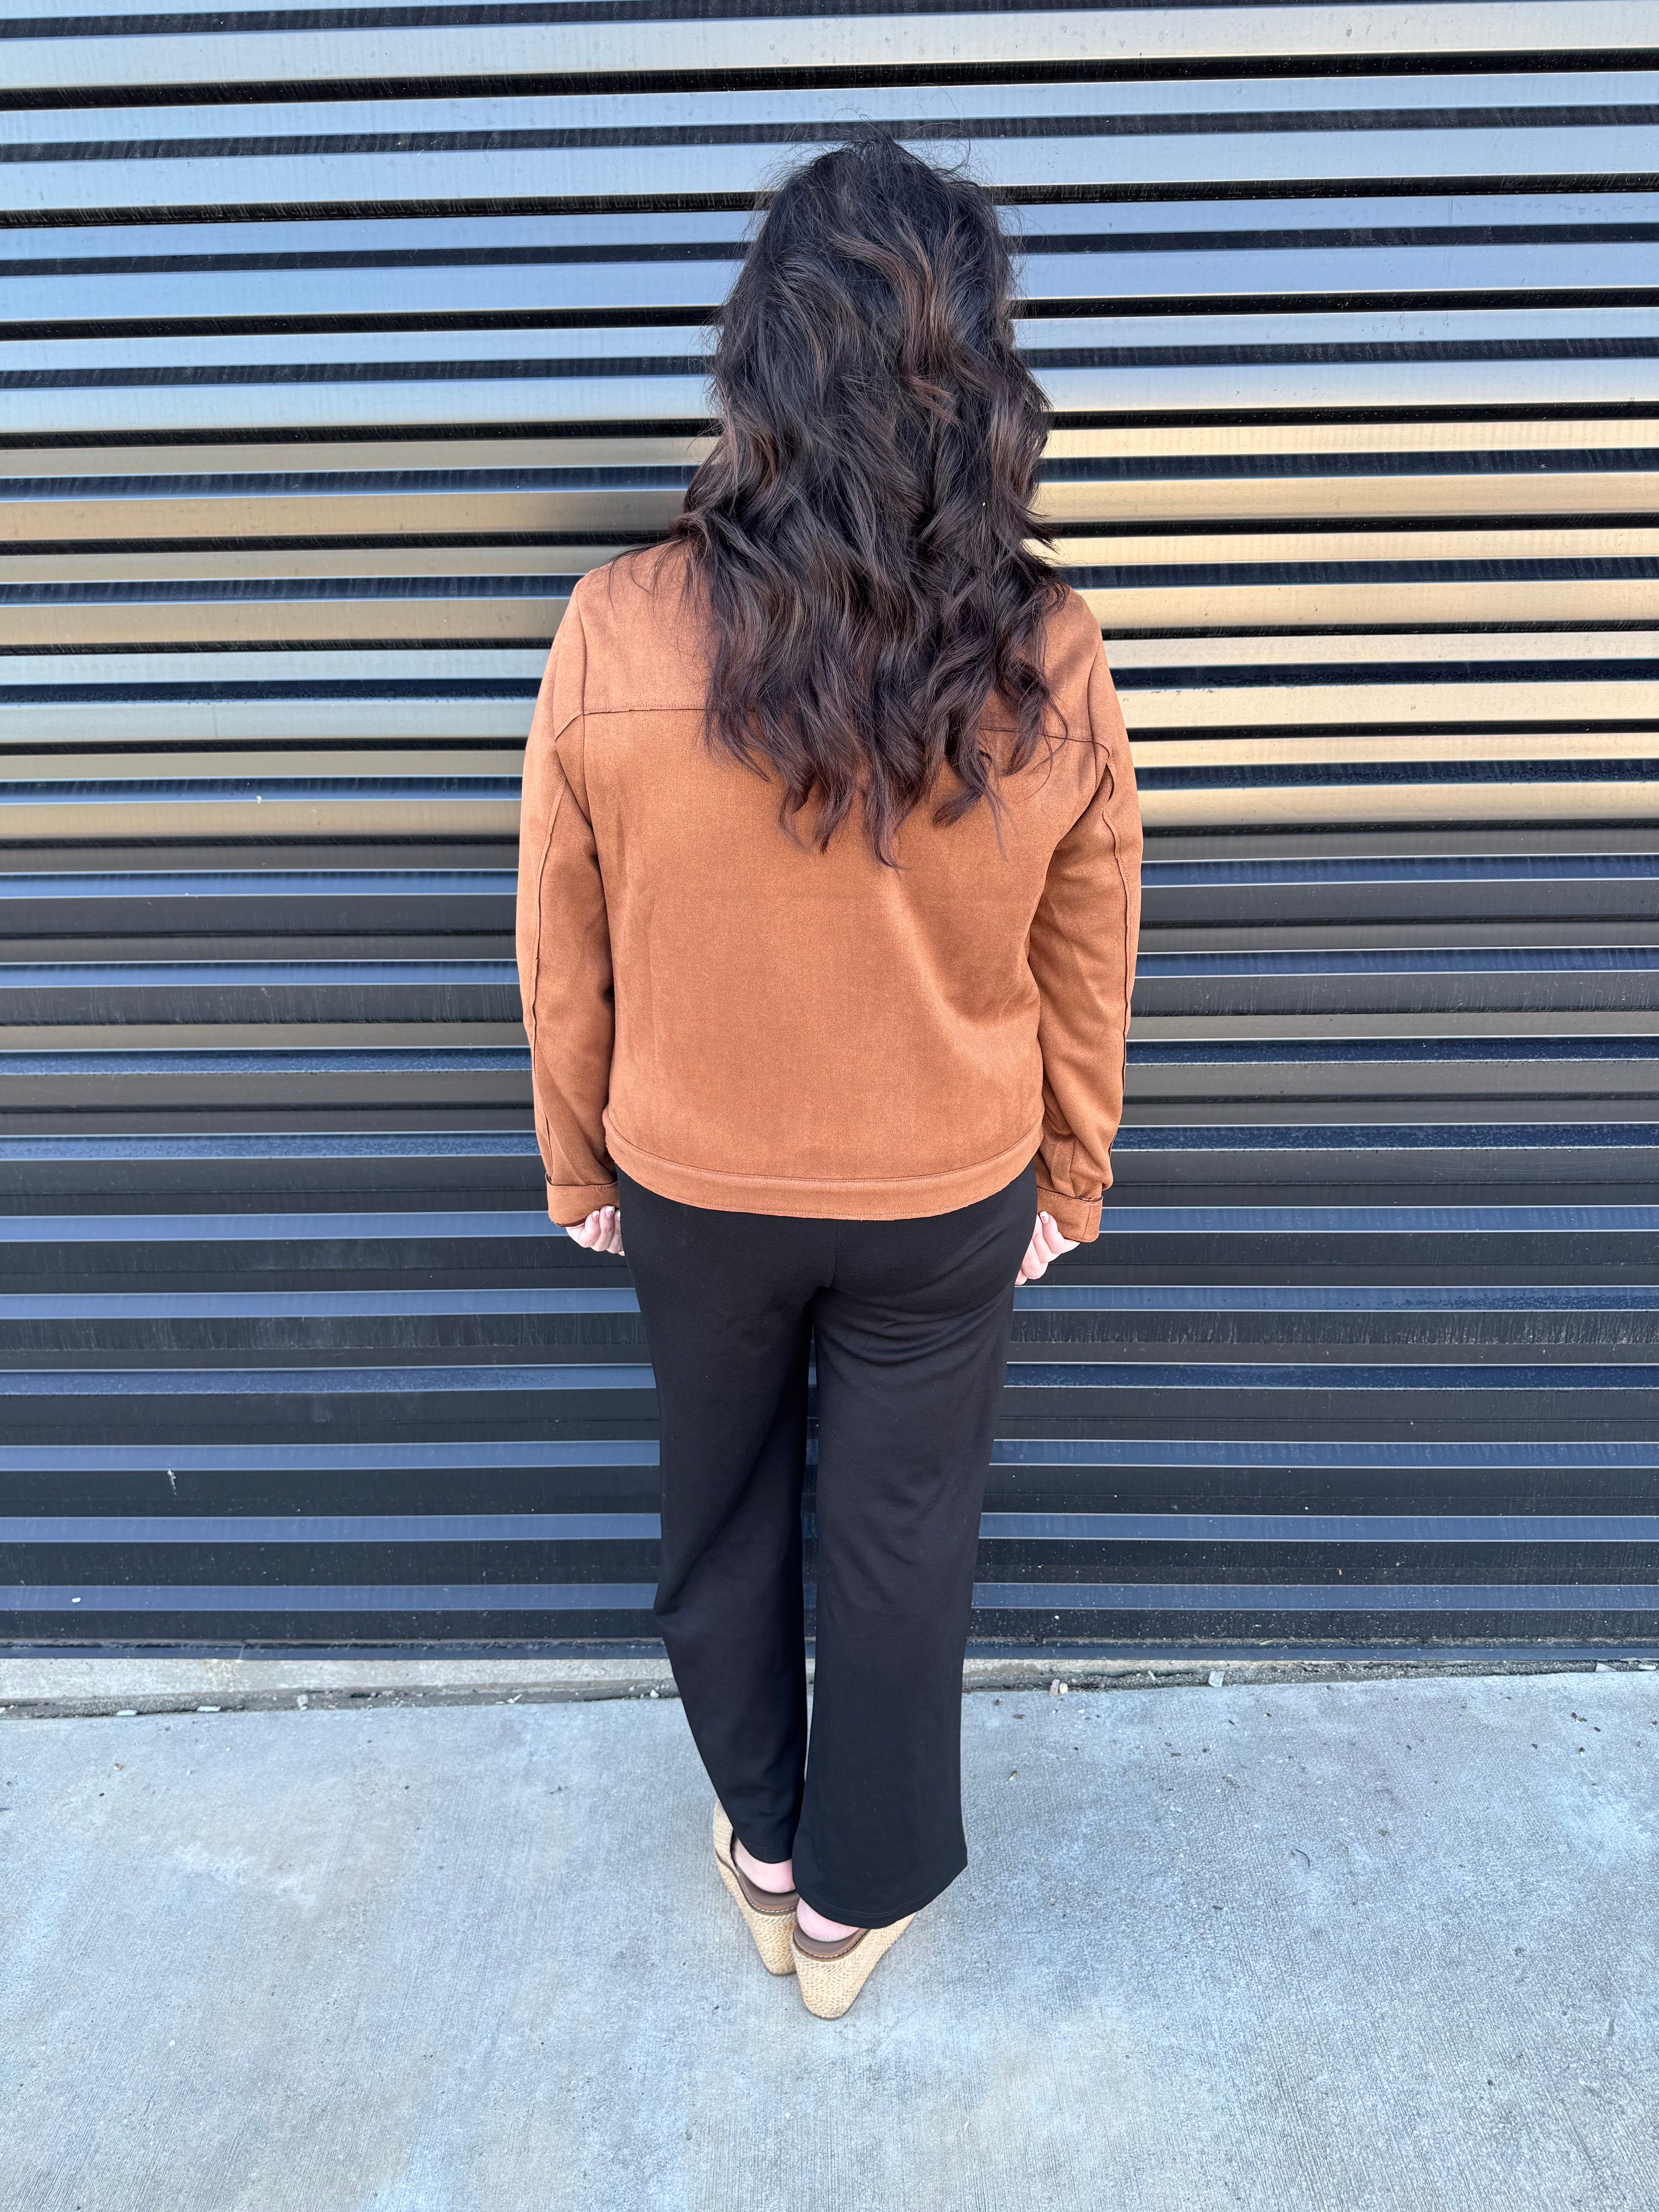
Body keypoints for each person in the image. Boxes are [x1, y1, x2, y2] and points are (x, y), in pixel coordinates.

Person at [516, 132, 1141, 2020]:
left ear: (760, 362)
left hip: (697, 1179)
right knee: (900, 1549)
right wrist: (1072, 1173)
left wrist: (579, 1163)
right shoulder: (1049, 649)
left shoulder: (618, 623)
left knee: (719, 1517)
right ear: (985, 381)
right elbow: (1091, 932)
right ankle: (848, 1913)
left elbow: (562, 933)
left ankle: (768, 1844)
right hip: (944, 1187)